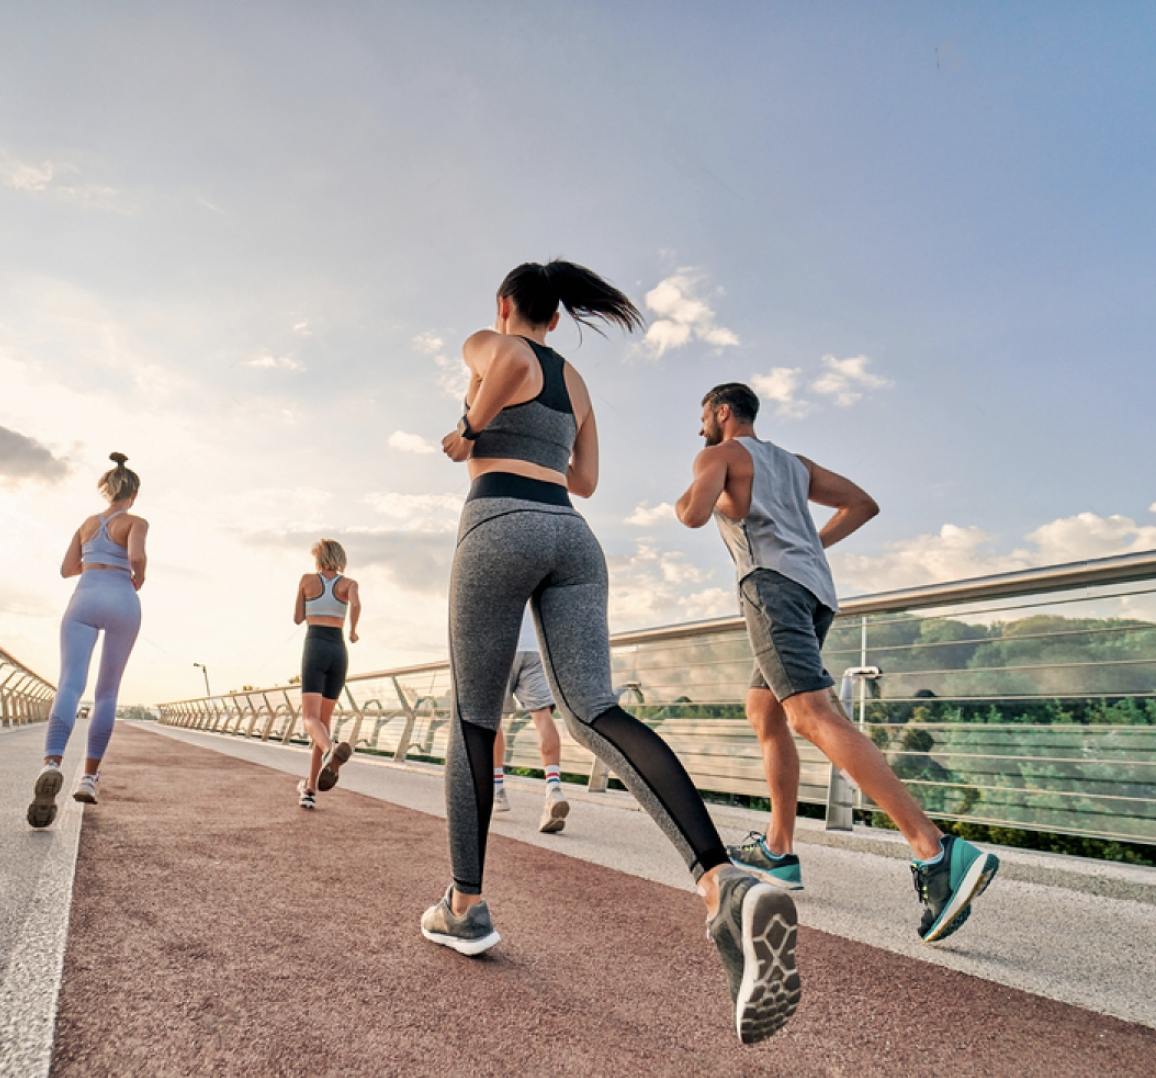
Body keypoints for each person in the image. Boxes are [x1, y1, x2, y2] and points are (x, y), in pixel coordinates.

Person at [420, 260, 800, 1045]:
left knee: (473, 719)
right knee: (595, 709)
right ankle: (721, 880)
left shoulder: (492, 342)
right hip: (572, 536)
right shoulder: (579, 383)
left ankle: (464, 906)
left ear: (506, 306)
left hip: (499, 523)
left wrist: (466, 432)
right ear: (559, 317)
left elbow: (493, 385)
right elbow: (585, 479)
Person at [673, 382, 998, 943]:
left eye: (703, 415)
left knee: (811, 714)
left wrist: (697, 488)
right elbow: (862, 504)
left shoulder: (718, 454)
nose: (699, 425)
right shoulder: (794, 464)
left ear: (722, 412)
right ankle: (778, 849)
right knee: (766, 711)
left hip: (770, 589)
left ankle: (936, 850)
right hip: (814, 591)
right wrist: (810, 544)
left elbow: (691, 516)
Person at [27, 453, 148, 828]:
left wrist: (94, 558)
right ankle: (90, 778)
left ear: (107, 490)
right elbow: (137, 557)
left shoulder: (86, 523)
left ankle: (52, 762)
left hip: (84, 595)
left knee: (69, 684)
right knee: (107, 693)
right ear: (135, 493)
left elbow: (67, 569)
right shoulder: (136, 522)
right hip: (121, 597)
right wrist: (137, 576)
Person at [491, 605, 569, 834]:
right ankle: (553, 788)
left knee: (491, 719)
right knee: (542, 716)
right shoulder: (536, 569)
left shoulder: (491, 570)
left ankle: (497, 791)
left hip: (501, 647)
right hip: (535, 649)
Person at [292, 538, 358, 809]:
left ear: (319, 558)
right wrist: (353, 630)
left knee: (309, 718)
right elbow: (355, 605)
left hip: (316, 644)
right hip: (339, 649)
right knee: (323, 724)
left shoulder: (307, 580)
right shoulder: (349, 584)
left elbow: (297, 618)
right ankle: (309, 788)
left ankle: (331, 751)